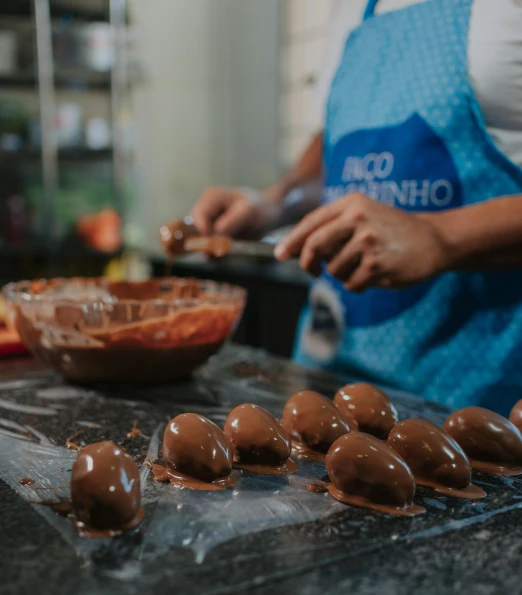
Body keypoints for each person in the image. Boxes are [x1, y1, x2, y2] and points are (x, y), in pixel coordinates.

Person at [187, 0, 522, 414]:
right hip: (327, 380)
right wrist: (276, 202)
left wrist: (441, 236)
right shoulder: (350, 12)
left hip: (474, 403)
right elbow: (336, 146)